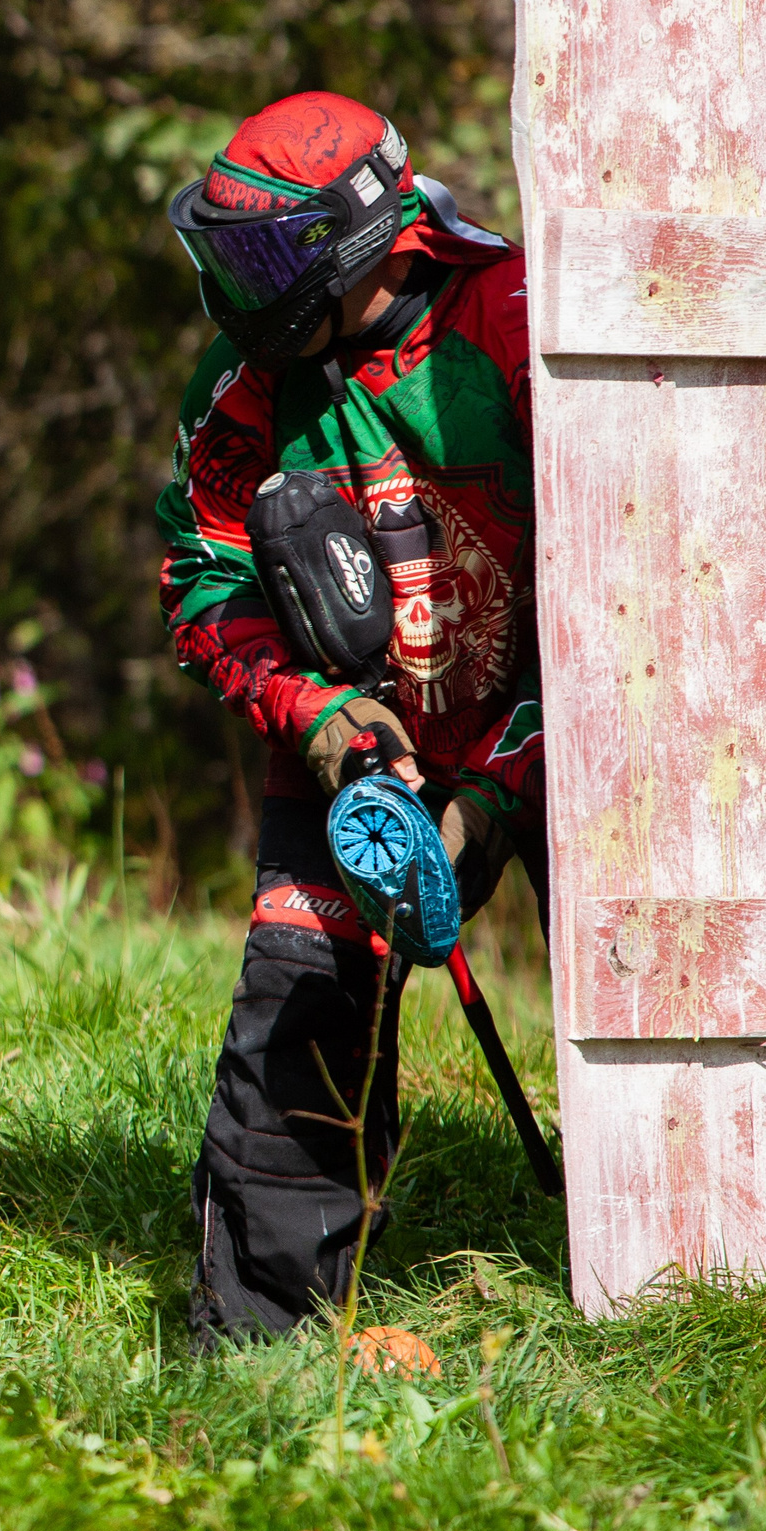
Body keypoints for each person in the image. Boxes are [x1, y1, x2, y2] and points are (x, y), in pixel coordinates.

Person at [156, 92, 541, 1344]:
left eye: (258, 255)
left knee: (677, 975)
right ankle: (261, 1349)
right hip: (356, 760)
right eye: (218, 250)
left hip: (563, 737)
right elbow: (205, 579)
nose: (233, 286)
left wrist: (497, 786)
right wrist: (315, 716)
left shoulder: (521, 326)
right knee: (299, 1004)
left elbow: (645, 607)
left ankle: (699, 1270)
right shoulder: (245, 387)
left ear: (361, 237)